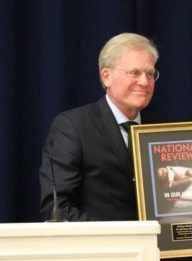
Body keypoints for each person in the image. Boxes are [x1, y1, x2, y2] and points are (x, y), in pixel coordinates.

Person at [39, 32, 160, 221]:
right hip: (102, 247)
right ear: (106, 77)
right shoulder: (74, 127)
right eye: (134, 73)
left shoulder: (161, 129)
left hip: (155, 249)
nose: (144, 82)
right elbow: (57, 208)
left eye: (150, 73)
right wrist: (116, 237)